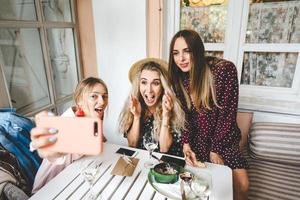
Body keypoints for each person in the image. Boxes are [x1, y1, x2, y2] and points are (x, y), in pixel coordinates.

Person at [168, 29, 249, 200]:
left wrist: (216, 149)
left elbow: (228, 114)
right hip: (198, 140)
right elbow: (185, 118)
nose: (180, 59)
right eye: (176, 53)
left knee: (242, 185)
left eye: (186, 51)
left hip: (224, 140)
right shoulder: (179, 78)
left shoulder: (223, 70)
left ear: (197, 50)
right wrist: (186, 144)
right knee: (201, 188)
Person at [30, 77, 108, 193]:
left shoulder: (91, 118)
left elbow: (99, 142)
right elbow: (56, 149)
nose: (102, 102)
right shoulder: (68, 124)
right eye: (94, 96)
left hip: (74, 181)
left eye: (104, 96)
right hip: (48, 191)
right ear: (80, 101)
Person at [119, 58, 185, 157]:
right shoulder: (134, 106)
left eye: (156, 83)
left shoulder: (172, 108)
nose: (149, 90)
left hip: (166, 165)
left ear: (163, 86)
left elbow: (164, 148)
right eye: (144, 82)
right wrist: (136, 116)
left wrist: (166, 116)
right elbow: (132, 144)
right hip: (142, 163)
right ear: (138, 85)